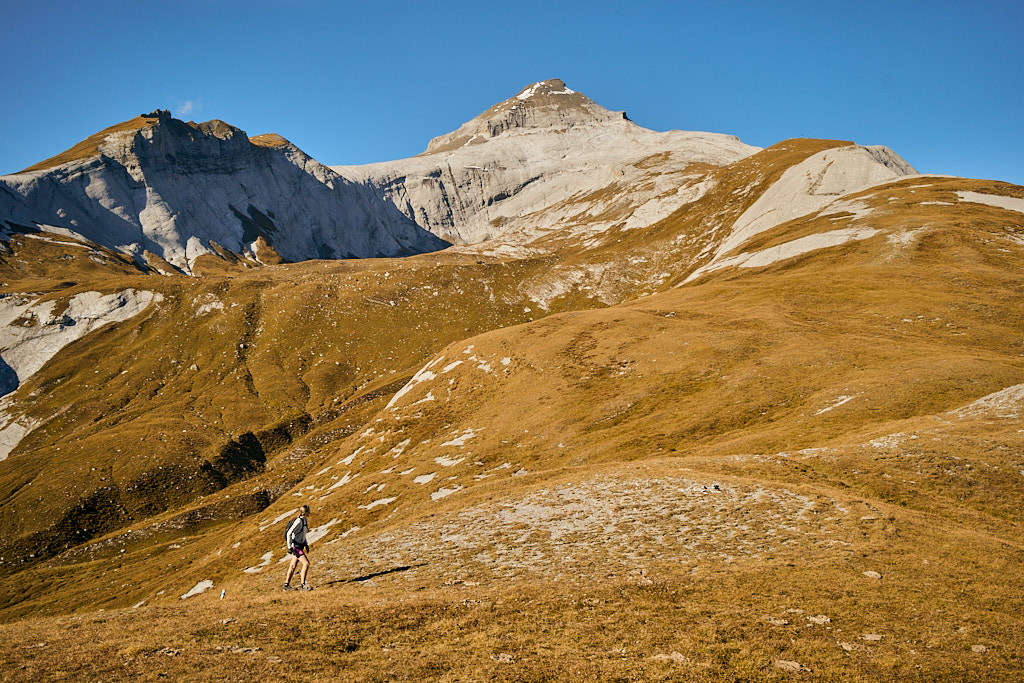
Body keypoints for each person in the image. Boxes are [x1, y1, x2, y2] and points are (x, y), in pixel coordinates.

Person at [282, 504, 313, 591]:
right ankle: (303, 585)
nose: (310, 512)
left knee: (293, 565)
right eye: (309, 511)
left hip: (300, 545)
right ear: (305, 512)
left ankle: (286, 585)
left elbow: (303, 534)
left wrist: (306, 544)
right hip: (296, 547)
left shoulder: (305, 520)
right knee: (306, 563)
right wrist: (289, 547)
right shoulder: (299, 521)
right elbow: (289, 533)